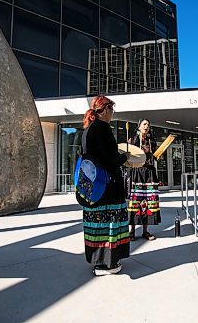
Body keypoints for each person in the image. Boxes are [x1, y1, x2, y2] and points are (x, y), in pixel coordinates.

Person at [81, 95, 130, 276]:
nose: (113, 113)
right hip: (108, 186)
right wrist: (124, 157)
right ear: (106, 109)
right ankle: (108, 263)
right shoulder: (103, 129)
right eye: (112, 109)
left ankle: (98, 260)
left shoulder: (88, 129)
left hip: (94, 187)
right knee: (110, 222)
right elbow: (109, 159)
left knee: (96, 222)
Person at [127, 119, 161, 241]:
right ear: (139, 126)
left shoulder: (151, 141)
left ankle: (145, 231)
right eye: (144, 124)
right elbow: (128, 154)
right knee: (136, 200)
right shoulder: (133, 140)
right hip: (137, 173)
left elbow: (155, 156)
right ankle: (131, 232)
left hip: (149, 173)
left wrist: (157, 155)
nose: (146, 126)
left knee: (148, 201)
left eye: (148, 125)